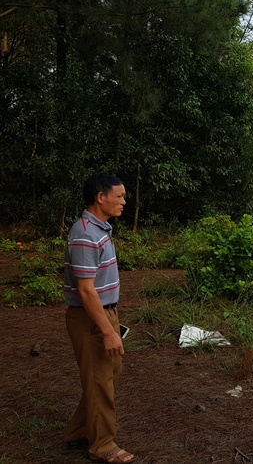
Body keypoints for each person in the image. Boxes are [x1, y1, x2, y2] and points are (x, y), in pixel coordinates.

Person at [63, 173, 136, 464]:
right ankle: (103, 446)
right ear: (100, 197)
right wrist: (107, 331)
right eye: (119, 196)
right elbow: (85, 290)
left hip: (104, 312)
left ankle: (79, 431)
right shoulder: (84, 233)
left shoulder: (99, 229)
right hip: (91, 317)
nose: (123, 201)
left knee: (107, 374)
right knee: (100, 381)